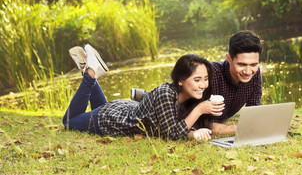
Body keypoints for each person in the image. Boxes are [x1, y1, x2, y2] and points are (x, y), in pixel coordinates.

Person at [63, 44, 225, 141]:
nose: (203, 85)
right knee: (69, 122)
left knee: (94, 110)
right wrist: (199, 110)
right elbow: (171, 134)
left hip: (121, 109)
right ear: (180, 80)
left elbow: (173, 126)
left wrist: (194, 133)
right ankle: (91, 73)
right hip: (111, 120)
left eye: (205, 79)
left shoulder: (189, 96)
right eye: (197, 80)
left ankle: (89, 70)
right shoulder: (166, 94)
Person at [131, 30, 262, 135]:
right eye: (242, 64)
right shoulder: (209, 76)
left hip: (183, 106)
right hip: (176, 107)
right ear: (229, 58)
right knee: (164, 100)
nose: (248, 71)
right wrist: (236, 129)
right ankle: (147, 96)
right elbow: (199, 121)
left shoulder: (254, 74)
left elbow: (254, 108)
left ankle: (145, 95)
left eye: (253, 64)